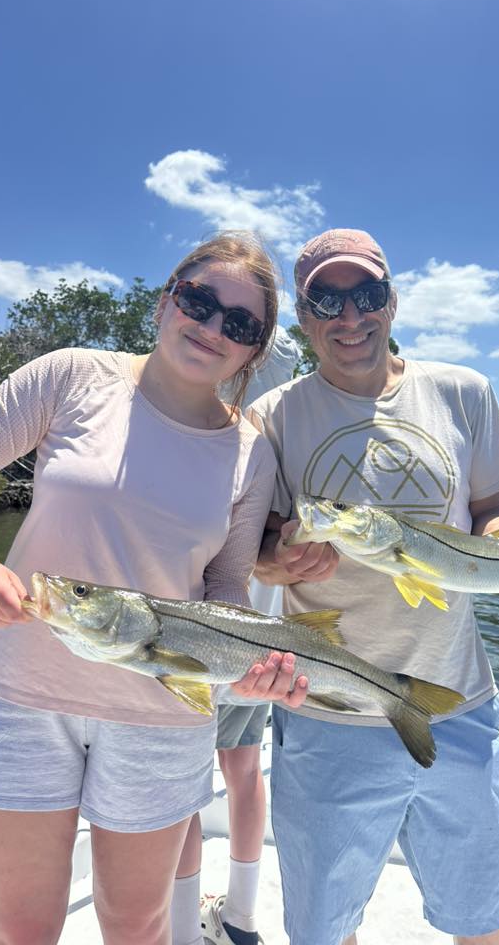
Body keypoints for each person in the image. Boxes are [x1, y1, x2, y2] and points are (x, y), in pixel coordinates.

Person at [239, 228, 499, 945]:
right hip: (327, 713)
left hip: (459, 704)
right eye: (327, 300)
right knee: (322, 928)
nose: (350, 317)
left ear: (393, 301)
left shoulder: (463, 391)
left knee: (487, 916)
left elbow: (492, 516)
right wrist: (277, 563)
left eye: (367, 294)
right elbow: (251, 549)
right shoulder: (271, 416)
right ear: (305, 318)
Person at [0, 232, 295, 945]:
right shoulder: (72, 376)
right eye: (199, 300)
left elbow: (224, 582)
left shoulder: (252, 451)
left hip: (160, 714)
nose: (213, 326)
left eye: (242, 324)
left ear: (254, 350)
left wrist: (246, 664)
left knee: (138, 926)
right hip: (17, 695)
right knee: (17, 930)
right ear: (166, 300)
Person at [171, 325, 302, 945]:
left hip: (189, 642)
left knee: (182, 780)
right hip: (259, 644)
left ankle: (178, 923)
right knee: (245, 772)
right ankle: (244, 916)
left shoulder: (197, 434)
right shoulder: (284, 440)